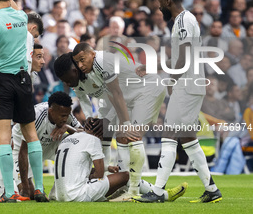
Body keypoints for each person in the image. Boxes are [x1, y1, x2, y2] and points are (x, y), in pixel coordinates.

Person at [54, 52, 187, 202]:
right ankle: (133, 189)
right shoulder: (78, 80)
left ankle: (133, 191)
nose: (67, 84)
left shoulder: (98, 66)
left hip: (145, 90)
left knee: (131, 136)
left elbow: (117, 95)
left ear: (74, 70)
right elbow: (85, 99)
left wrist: (108, 120)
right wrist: (90, 117)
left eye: (67, 79)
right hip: (125, 99)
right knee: (111, 135)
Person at [135, 0, 222, 203]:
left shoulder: (183, 21)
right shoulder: (186, 20)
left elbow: (182, 58)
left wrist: (171, 81)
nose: (158, 7)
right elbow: (179, 58)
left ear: (168, 2)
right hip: (193, 84)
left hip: (187, 85)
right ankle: (211, 189)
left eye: (159, 2)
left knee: (168, 134)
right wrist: (153, 67)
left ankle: (157, 190)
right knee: (188, 138)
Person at [0, 0, 46, 203]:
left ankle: (9, 193)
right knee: (31, 135)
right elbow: (16, 6)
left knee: (3, 137)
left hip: (1, 80)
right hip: (23, 80)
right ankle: (39, 188)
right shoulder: (21, 17)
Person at [12, 91, 81, 198]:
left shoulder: (66, 113)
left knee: (75, 142)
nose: (65, 119)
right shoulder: (36, 115)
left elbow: (84, 134)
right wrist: (25, 188)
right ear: (51, 111)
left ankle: (57, 190)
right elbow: (24, 151)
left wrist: (68, 127)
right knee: (30, 193)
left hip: (49, 144)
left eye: (67, 116)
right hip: (22, 149)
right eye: (62, 116)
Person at [54, 129, 129, 202]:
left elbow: (76, 167)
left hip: (59, 196)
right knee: (125, 175)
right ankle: (129, 193)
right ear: (99, 132)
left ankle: (113, 195)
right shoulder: (93, 139)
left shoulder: (67, 139)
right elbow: (99, 174)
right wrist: (90, 177)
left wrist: (107, 168)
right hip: (78, 195)